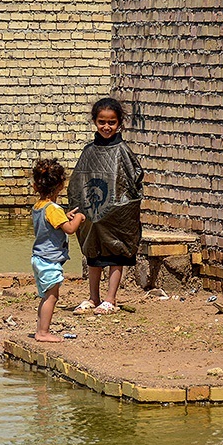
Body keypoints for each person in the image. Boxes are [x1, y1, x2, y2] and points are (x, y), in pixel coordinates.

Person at [68, 97, 144, 316]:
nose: (106, 127)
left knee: (115, 256)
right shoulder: (88, 151)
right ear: (95, 122)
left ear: (119, 123)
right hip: (92, 214)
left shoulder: (123, 151)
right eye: (102, 122)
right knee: (94, 257)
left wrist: (120, 206)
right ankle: (94, 297)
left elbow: (134, 180)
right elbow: (78, 182)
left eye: (111, 122)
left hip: (116, 215)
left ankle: (110, 299)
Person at [30, 158, 85, 342]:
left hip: (38, 257)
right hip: (49, 260)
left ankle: (40, 329)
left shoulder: (39, 206)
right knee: (52, 297)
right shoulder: (54, 209)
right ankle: (43, 332)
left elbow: (52, 223)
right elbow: (69, 229)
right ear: (61, 185)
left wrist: (65, 216)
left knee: (47, 296)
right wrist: (77, 218)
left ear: (36, 186)